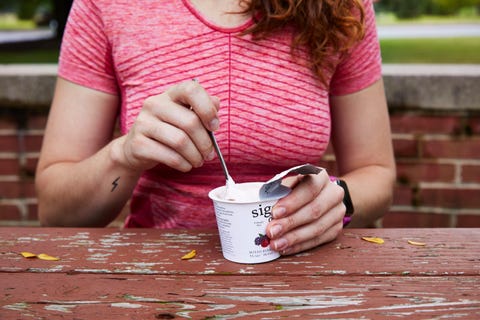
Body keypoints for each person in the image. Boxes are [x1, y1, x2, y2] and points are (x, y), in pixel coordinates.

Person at [35, 0, 396, 256]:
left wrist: (339, 200)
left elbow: (377, 173)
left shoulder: (342, 7)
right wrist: (124, 155)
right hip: (158, 282)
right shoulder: (105, 6)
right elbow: (55, 212)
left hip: (304, 273)